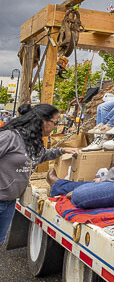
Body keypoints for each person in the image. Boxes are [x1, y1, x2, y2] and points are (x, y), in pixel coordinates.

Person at [0, 104, 76, 243]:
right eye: (54, 122)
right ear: (42, 121)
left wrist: (61, 151)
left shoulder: (32, 142)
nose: (55, 126)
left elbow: (40, 156)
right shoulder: (10, 137)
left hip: (9, 202)